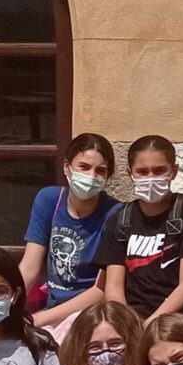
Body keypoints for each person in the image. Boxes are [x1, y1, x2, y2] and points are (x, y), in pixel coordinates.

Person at [98, 134, 183, 325]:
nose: (150, 178)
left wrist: (152, 323)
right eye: (142, 172)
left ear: (174, 171)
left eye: (159, 171)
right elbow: (113, 287)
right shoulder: (120, 219)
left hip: (177, 315)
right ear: (130, 174)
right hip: (131, 316)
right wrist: (127, 323)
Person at [20, 133, 120, 340]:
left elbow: (101, 289)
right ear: (67, 167)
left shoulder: (115, 214)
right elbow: (29, 267)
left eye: (100, 171)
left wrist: (41, 319)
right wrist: (6, 301)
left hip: (90, 313)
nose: (91, 176)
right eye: (84, 167)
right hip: (50, 305)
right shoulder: (49, 200)